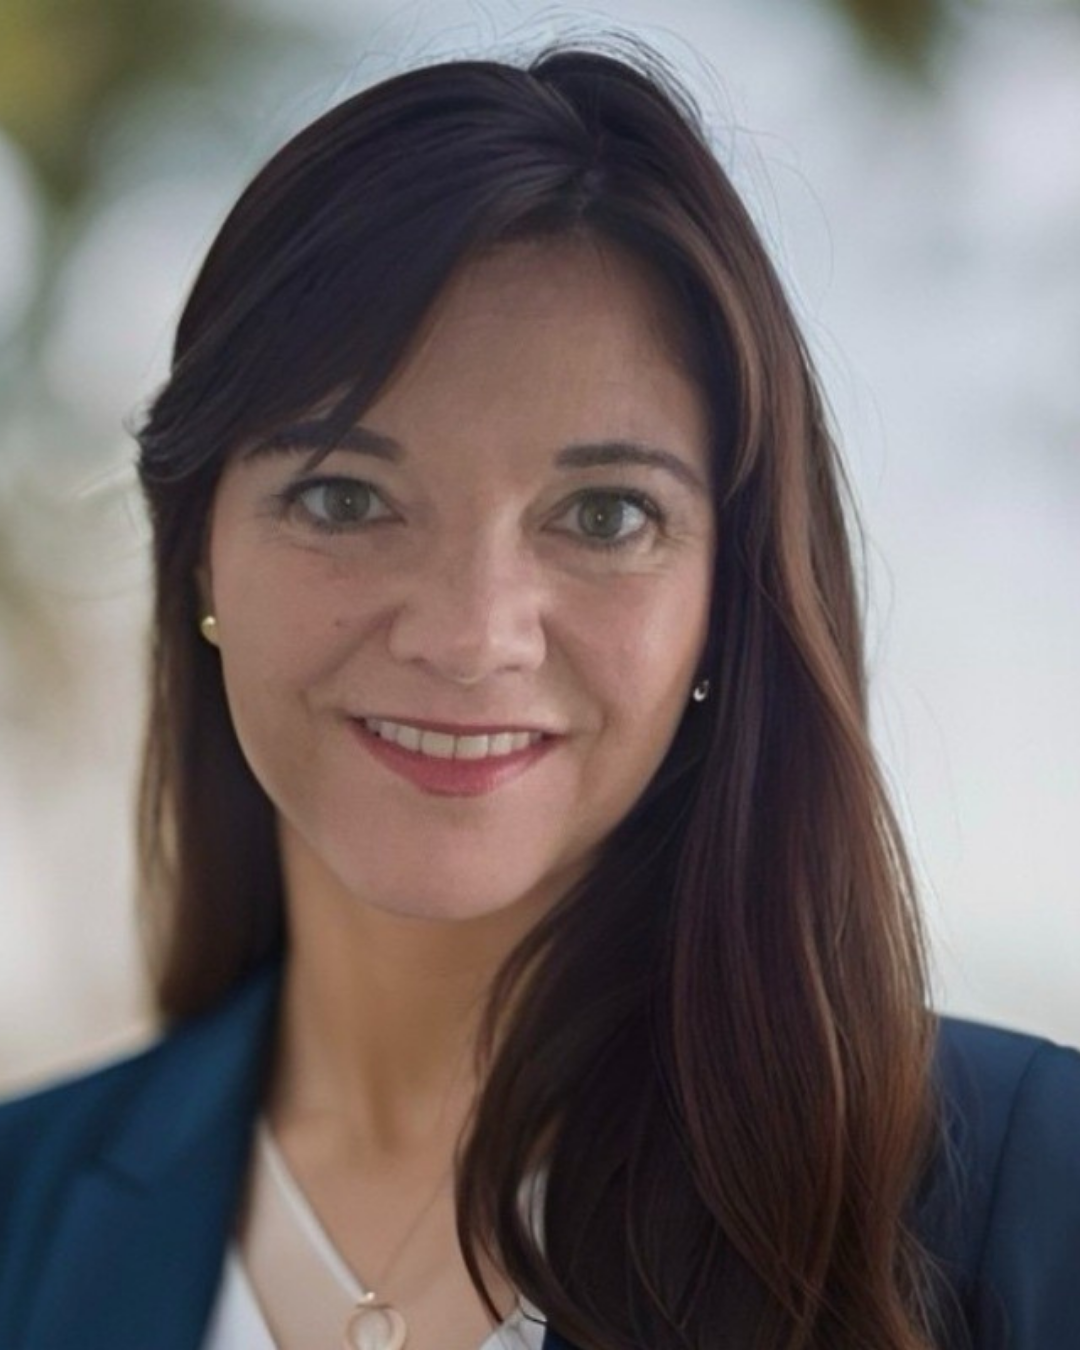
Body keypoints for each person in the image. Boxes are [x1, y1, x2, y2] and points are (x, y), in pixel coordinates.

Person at [0, 39, 1077, 1350]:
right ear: (200, 557)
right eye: (345, 497)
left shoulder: (1024, 1190)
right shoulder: (22, 1211)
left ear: (728, 597)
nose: (470, 636)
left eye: (604, 514)